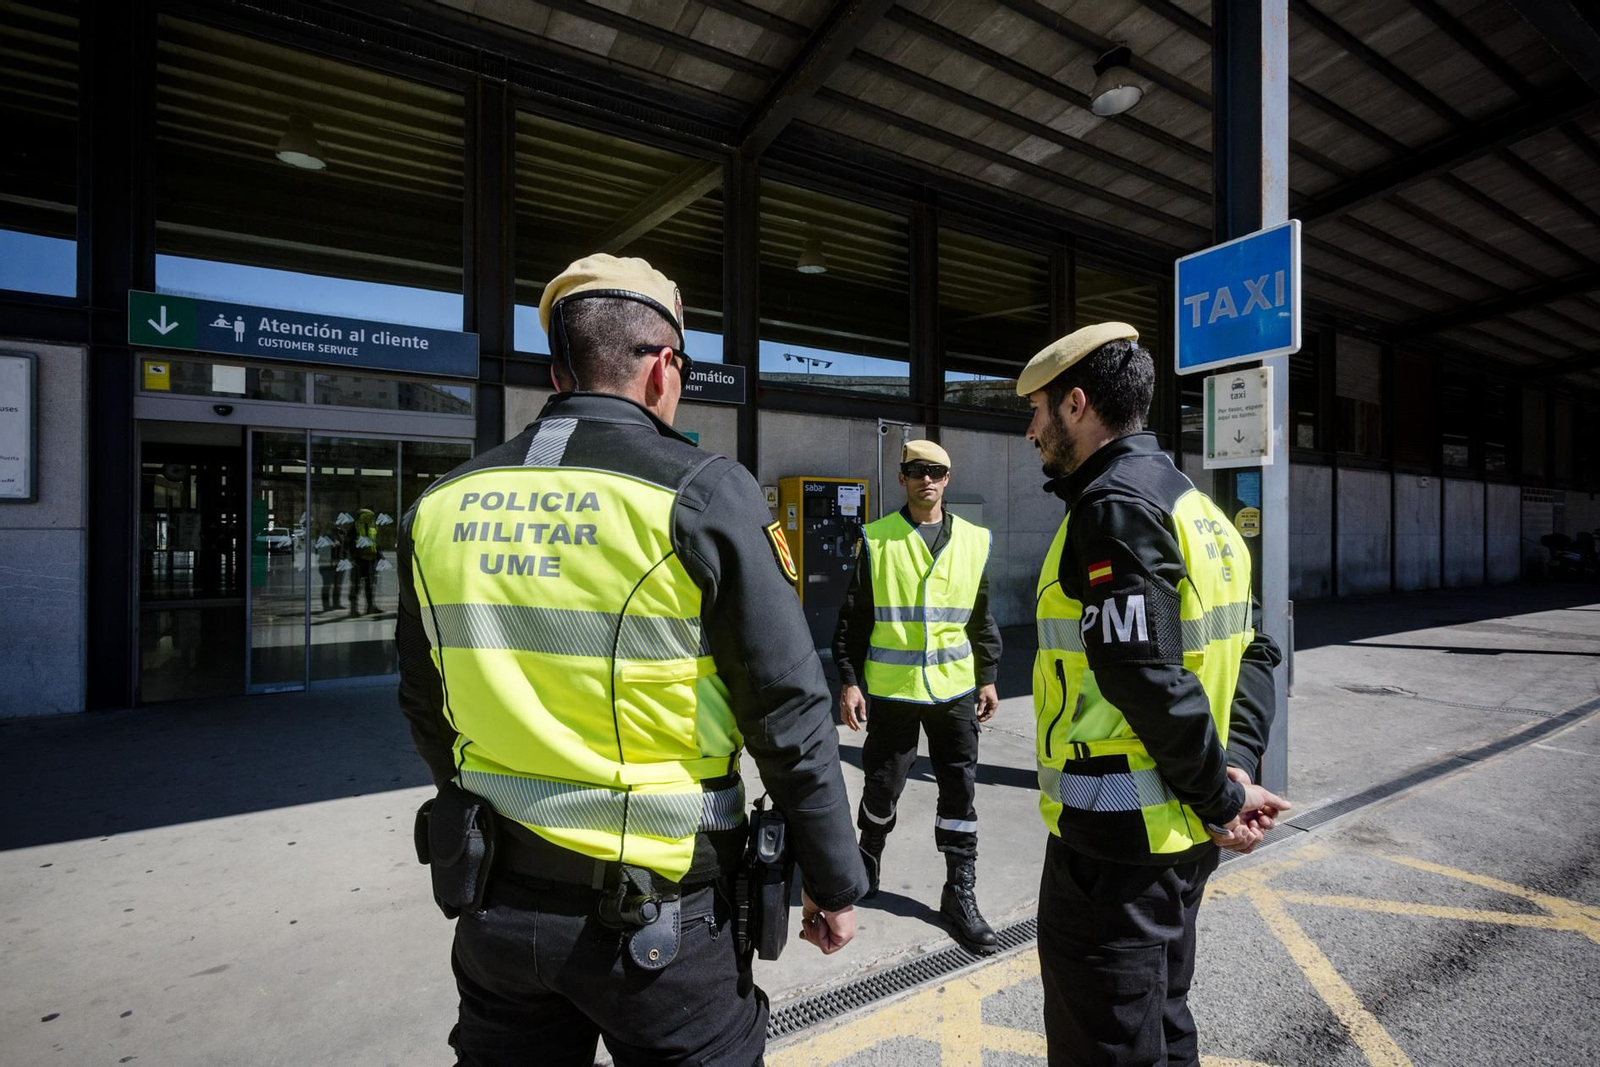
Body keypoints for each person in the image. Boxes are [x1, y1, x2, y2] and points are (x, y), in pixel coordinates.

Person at [395, 253, 866, 1067]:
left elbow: (423, 701)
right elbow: (788, 710)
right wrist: (834, 877)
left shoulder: (439, 505)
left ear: (557, 370)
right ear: (662, 368)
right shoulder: (703, 494)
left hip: (495, 913)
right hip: (659, 933)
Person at [1016, 322, 1289, 1067]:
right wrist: (1232, 767)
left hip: (1112, 858)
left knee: (1106, 1044)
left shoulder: (1113, 506)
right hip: (1174, 848)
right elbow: (1259, 647)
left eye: (1036, 409)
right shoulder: (1196, 509)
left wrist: (1222, 797)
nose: (1031, 430)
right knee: (1162, 1028)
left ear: (1076, 404)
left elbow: (1143, 674)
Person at [831, 439, 1003, 954]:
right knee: (881, 786)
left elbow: (980, 616)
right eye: (915, 471)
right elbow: (852, 622)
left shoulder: (975, 540)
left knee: (959, 792)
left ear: (947, 479)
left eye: (936, 471)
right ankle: (869, 858)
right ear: (903, 478)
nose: (926, 479)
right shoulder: (877, 539)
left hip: (954, 692)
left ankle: (959, 891)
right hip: (893, 691)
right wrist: (849, 681)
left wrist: (989, 674)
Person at [348, 507, 379, 615]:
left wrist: (378, 558)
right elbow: (349, 543)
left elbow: (375, 544)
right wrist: (352, 558)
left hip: (369, 560)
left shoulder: (371, 528)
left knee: (369, 585)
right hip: (359, 560)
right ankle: (354, 609)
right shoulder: (356, 528)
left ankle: (370, 607)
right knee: (357, 585)